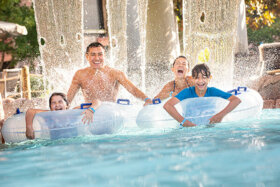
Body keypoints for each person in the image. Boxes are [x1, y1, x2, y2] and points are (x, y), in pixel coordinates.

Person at [67, 42, 153, 122]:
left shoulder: (115, 73)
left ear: (104, 55)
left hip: (111, 115)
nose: (97, 58)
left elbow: (133, 90)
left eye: (100, 54)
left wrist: (147, 99)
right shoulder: (80, 74)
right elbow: (68, 99)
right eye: (93, 55)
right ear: (87, 56)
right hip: (90, 116)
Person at [163, 63, 241, 127]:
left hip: (210, 126)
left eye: (204, 77)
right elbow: (168, 105)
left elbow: (236, 100)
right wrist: (183, 121)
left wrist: (220, 115)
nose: (200, 81)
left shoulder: (213, 91)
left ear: (209, 78)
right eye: (197, 78)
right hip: (190, 127)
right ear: (193, 79)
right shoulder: (187, 92)